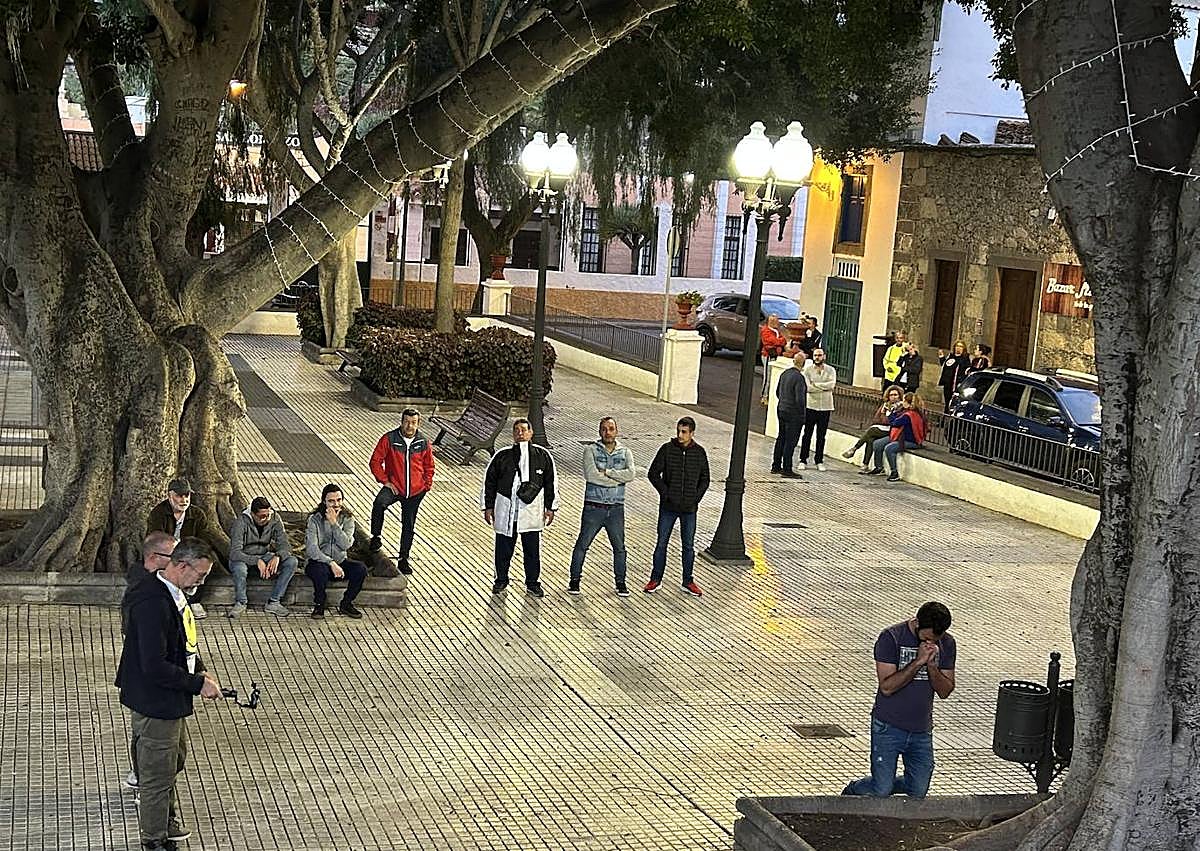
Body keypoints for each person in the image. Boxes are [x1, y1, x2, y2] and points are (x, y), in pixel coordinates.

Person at [116, 537, 222, 850]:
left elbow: (182, 641)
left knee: (171, 761)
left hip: (164, 698)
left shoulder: (170, 593)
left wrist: (199, 669)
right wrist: (197, 684)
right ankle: (155, 838)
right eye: (199, 575)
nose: (201, 582)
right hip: (157, 699)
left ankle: (165, 820)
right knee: (157, 773)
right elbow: (154, 665)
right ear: (179, 565)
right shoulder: (153, 602)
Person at [842, 602, 956, 799]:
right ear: (918, 623)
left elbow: (945, 690)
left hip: (921, 729)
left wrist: (931, 666)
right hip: (888, 726)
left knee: (918, 790)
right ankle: (854, 790)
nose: (930, 643)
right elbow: (887, 687)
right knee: (881, 790)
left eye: (935, 639)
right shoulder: (891, 638)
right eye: (927, 638)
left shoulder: (947, 644)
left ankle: (883, 784)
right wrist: (918, 661)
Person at [121, 532, 177, 791]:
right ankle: (142, 777)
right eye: (173, 557)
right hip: (144, 677)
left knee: (142, 730)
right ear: (155, 558)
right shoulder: (145, 593)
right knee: (145, 731)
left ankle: (140, 774)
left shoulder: (155, 585)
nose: (178, 563)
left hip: (143, 675)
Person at [481, 419, 558, 598]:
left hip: (531, 512)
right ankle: (501, 579)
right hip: (506, 511)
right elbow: (489, 481)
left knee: (532, 550)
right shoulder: (502, 456)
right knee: (503, 549)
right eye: (517, 430)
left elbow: (551, 482)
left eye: (524, 430)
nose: (520, 433)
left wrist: (551, 507)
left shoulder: (542, 455)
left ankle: (533, 582)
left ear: (531, 433)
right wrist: (488, 506)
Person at [569, 417, 636, 597]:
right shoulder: (590, 450)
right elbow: (591, 476)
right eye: (604, 429)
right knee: (582, 544)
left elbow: (630, 474)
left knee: (619, 547)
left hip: (616, 508)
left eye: (611, 428)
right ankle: (574, 581)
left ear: (616, 430)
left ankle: (621, 583)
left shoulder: (625, 452)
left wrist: (607, 472)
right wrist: (616, 479)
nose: (608, 432)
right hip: (594, 507)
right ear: (600, 432)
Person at [646, 416, 710, 596]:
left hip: (689, 509)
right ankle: (656, 578)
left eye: (684, 432)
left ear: (692, 433)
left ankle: (688, 580)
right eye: (679, 431)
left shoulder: (699, 453)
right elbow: (653, 474)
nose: (680, 435)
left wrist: (695, 498)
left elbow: (705, 479)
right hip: (668, 507)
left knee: (688, 545)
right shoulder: (667, 450)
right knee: (661, 543)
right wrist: (666, 493)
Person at [368, 408, 435, 576]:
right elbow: (375, 461)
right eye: (406, 421)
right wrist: (385, 481)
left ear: (418, 424)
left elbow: (429, 465)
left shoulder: (423, 442)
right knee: (379, 504)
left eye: (413, 422)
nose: (409, 426)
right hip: (395, 487)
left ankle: (403, 559)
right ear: (401, 421)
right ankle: (376, 536)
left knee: (409, 524)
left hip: (415, 491)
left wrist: (426, 484)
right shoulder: (389, 439)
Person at [146, 478, 212, 619]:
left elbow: (203, 539)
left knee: (203, 563)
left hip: (190, 552)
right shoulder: (158, 513)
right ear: (170, 496)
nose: (184, 500)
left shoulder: (198, 515)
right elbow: (156, 539)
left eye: (186, 495)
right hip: (168, 553)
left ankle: (194, 601)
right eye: (179, 496)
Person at [304, 484, 368, 619]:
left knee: (360, 569)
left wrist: (334, 524)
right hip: (319, 562)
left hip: (340, 562)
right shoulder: (314, 519)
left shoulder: (348, 519)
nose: (336, 504)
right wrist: (330, 562)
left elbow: (346, 545)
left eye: (339, 500)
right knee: (319, 571)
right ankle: (319, 604)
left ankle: (346, 604)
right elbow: (312, 548)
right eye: (331, 501)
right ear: (324, 502)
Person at [227, 496, 298, 618]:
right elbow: (235, 553)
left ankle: (274, 602)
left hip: (264, 556)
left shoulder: (275, 518)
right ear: (253, 514)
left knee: (291, 562)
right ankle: (241, 602)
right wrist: (256, 561)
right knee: (239, 568)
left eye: (268, 515)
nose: (265, 519)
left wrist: (278, 556)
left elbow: (285, 545)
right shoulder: (241, 522)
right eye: (261, 516)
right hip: (243, 558)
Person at [866, 393, 927, 482]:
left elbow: (894, 423)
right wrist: (894, 412)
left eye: (904, 400)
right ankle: (879, 467)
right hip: (899, 437)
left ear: (908, 403)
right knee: (877, 444)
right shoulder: (904, 412)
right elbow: (896, 419)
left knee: (889, 448)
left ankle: (894, 472)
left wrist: (889, 414)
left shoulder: (909, 415)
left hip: (910, 441)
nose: (902, 402)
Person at [843, 386, 905, 470]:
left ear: (899, 396)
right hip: (881, 428)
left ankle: (854, 448)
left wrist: (885, 417)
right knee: (870, 439)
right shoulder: (885, 405)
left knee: (872, 430)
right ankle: (865, 464)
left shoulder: (900, 407)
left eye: (895, 395)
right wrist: (884, 417)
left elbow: (893, 421)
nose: (893, 397)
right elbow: (876, 418)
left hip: (893, 430)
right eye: (891, 395)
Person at [798, 347, 836, 472]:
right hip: (811, 406)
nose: (817, 357)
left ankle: (819, 460)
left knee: (821, 435)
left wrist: (816, 385)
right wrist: (823, 387)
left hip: (825, 407)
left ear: (824, 356)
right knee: (807, 434)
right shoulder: (807, 370)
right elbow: (808, 387)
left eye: (819, 355)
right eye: (815, 355)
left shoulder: (831, 370)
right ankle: (803, 459)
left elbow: (832, 385)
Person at [771, 353, 807, 479]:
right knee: (790, 441)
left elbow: (777, 392)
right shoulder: (799, 378)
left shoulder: (784, 374)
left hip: (781, 409)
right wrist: (802, 415)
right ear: (803, 363)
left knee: (781, 437)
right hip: (793, 413)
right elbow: (800, 399)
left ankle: (776, 465)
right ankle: (787, 468)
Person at [759, 314, 787, 402]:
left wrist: (778, 341)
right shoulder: (766, 331)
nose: (778, 323)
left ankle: (769, 395)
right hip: (768, 356)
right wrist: (779, 341)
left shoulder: (777, 331)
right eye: (776, 321)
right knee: (767, 376)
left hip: (775, 355)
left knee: (772, 376)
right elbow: (772, 341)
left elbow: (784, 341)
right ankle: (764, 395)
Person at [936, 341, 970, 412]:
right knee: (947, 402)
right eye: (957, 346)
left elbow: (966, 370)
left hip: (955, 384)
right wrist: (941, 357)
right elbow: (946, 365)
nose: (958, 348)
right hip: (947, 384)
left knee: (953, 404)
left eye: (961, 346)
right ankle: (944, 419)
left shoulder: (965, 358)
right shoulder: (951, 356)